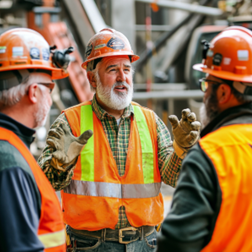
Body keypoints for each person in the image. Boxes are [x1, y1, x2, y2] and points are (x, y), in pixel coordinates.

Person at [38, 28, 200, 252]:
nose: (122, 77)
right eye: (113, 69)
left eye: (127, 69)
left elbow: (173, 178)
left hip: (146, 243)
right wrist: (59, 166)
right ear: (91, 78)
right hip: (89, 246)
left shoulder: (150, 121)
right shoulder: (69, 122)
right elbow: (44, 184)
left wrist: (182, 150)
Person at [157, 26, 252, 252]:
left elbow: (177, 244)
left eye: (207, 84)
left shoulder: (210, 154)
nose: (204, 92)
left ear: (223, 93)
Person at [0, 28, 75, 252]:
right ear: (33, 92)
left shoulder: (11, 147)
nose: (51, 100)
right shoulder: (9, 161)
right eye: (49, 88)